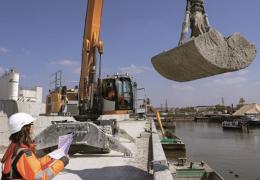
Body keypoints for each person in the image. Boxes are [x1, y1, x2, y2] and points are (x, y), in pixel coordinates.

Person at [1, 112, 69, 180]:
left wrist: (52, 157)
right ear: (25, 128)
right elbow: (39, 178)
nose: (32, 128)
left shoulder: (14, 145)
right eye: (31, 125)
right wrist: (62, 162)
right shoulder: (24, 153)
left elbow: (33, 165)